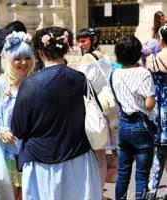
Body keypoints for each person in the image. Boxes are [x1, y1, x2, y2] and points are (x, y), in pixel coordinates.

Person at [11, 26, 102, 200]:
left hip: (41, 162)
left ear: (40, 52)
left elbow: (18, 129)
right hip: (79, 160)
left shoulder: (30, 84)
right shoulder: (80, 79)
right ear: (66, 49)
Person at [0, 31, 35, 200]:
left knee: (27, 194)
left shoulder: (36, 82)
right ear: (8, 59)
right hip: (5, 152)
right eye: (17, 58)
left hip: (31, 150)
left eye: (27, 58)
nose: (23, 63)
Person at [110, 36, 155, 200]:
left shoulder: (114, 74)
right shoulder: (144, 74)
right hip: (141, 125)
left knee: (123, 173)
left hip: (123, 125)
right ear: (137, 54)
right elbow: (149, 104)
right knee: (142, 175)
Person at [76, 27, 114, 198]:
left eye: (83, 40)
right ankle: (99, 191)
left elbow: (81, 82)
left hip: (90, 108)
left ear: (92, 40)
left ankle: (93, 192)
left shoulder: (87, 58)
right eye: (79, 40)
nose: (80, 44)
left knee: (92, 153)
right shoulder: (105, 57)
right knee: (101, 152)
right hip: (103, 108)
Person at [146, 24, 167, 200]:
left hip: (161, 109)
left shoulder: (152, 60)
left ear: (161, 39)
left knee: (159, 152)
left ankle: (153, 189)